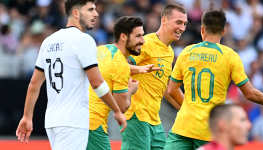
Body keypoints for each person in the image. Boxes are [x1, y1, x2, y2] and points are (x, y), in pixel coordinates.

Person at [164, 10, 263, 150]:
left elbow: (171, 90)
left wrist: (188, 108)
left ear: (202, 29)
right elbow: (249, 93)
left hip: (182, 128)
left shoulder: (186, 52)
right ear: (224, 30)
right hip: (210, 131)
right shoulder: (230, 56)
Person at [15, 0, 127, 150]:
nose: (96, 14)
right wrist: (117, 111)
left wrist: (27, 116)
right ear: (76, 13)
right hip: (73, 121)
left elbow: (34, 84)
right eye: (90, 10)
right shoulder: (84, 40)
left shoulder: (48, 41)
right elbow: (97, 83)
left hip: (52, 122)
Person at [122, 3, 188, 150]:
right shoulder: (146, 43)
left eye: (184, 24)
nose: (182, 28)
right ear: (164, 20)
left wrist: (188, 111)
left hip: (154, 120)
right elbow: (119, 66)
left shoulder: (170, 52)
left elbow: (166, 90)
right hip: (137, 116)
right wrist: (140, 69)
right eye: (178, 22)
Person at [87, 16, 144, 150]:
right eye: (138, 36)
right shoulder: (121, 65)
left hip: (75, 119)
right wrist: (131, 90)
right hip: (94, 124)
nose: (143, 41)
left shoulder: (100, 50)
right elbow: (121, 106)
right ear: (123, 37)